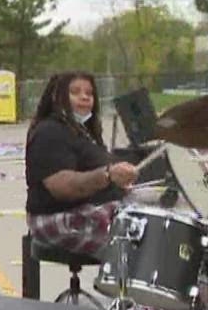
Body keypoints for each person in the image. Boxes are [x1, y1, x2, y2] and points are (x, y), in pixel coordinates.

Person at [25, 72, 137, 253]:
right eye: (75, 92)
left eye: (89, 93)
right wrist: (107, 175)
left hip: (86, 212)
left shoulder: (83, 132)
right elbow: (63, 187)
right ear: (57, 97)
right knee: (137, 243)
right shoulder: (49, 132)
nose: (85, 97)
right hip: (58, 218)